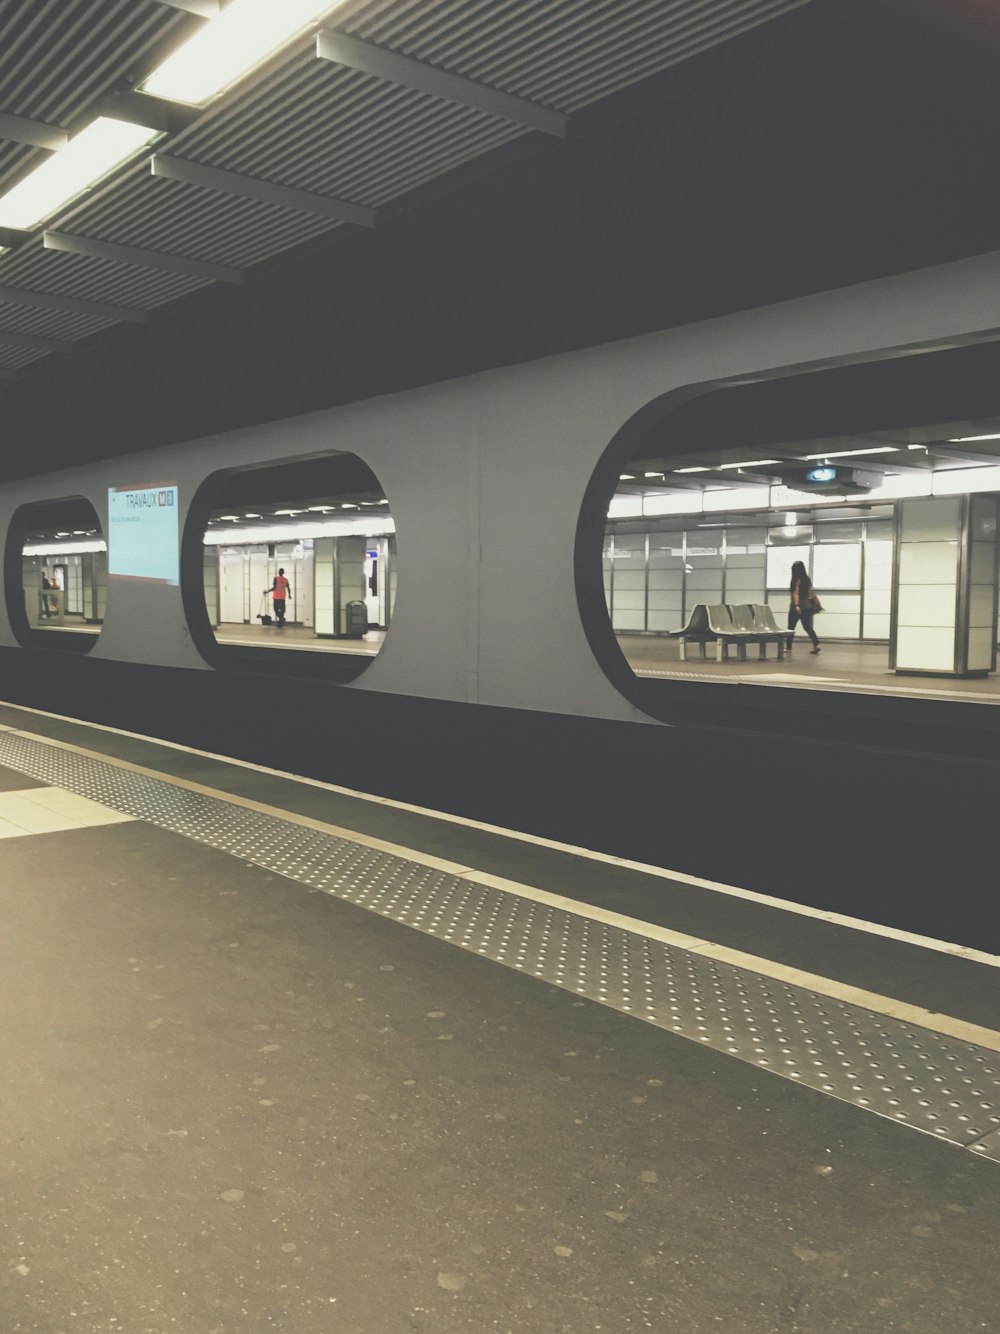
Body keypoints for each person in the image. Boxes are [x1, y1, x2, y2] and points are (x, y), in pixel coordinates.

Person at [787, 559, 821, 654]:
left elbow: (796, 593)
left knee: (790, 628)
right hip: (807, 607)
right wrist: (817, 604)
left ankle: (788, 648)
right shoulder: (807, 579)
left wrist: (797, 605)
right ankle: (816, 645)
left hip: (796, 608)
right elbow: (812, 593)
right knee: (808, 627)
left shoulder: (795, 580)